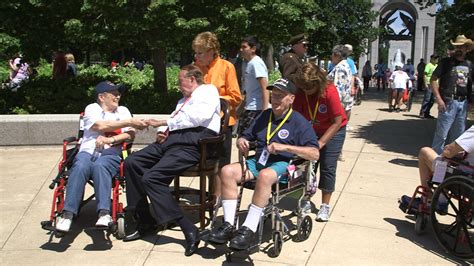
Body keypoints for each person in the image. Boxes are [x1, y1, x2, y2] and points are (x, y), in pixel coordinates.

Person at [208, 78, 319, 250]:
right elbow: (246, 135)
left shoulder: (299, 121)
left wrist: (286, 147)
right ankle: (229, 225)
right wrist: (242, 141)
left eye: (280, 96)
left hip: (284, 164)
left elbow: (314, 153)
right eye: (273, 95)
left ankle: (248, 229)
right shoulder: (264, 116)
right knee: (227, 171)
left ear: (291, 99)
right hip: (259, 160)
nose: (275, 99)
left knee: (266, 175)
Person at [122, 65, 221, 257]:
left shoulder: (208, 91)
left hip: (193, 144)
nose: (178, 85)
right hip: (172, 142)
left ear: (192, 79)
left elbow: (198, 118)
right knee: (132, 162)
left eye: (180, 81)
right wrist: (162, 131)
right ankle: (144, 217)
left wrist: (163, 123)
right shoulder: (183, 100)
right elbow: (175, 119)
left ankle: (188, 228)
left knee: (152, 178)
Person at [55, 81, 148, 233]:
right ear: (101, 97)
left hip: (112, 151)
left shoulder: (123, 110)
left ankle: (104, 213)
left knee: (101, 166)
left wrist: (111, 140)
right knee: (80, 167)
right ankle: (67, 215)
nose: (118, 96)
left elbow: (130, 134)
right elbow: (100, 126)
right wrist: (130, 121)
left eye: (119, 93)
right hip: (88, 150)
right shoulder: (92, 108)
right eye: (114, 93)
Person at [293, 62, 348, 222]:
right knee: (307, 166)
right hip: (311, 131)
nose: (306, 92)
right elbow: (296, 116)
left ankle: (325, 205)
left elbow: (337, 121)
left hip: (333, 130)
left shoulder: (329, 91)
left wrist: (321, 143)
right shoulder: (301, 92)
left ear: (317, 83)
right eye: (303, 88)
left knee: (327, 166)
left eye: (309, 88)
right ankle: (306, 199)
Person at [192, 31, 242, 198]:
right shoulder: (196, 68)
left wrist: (213, 98)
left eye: (200, 52)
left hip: (222, 124)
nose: (196, 55)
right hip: (201, 123)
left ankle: (217, 198)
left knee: (221, 164)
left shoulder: (227, 67)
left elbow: (236, 97)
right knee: (205, 162)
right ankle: (211, 195)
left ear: (211, 50)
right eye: (196, 52)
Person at [409, 126, 474, 208]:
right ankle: (441, 199)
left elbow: (449, 151)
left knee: (425, 152)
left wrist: (448, 149)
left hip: (463, 178)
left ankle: (427, 200)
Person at [431, 34, 473, 154]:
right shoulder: (446, 63)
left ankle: (450, 162)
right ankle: (435, 162)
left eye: (462, 46)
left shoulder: (470, 65)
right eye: (457, 46)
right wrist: (438, 99)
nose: (460, 49)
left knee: (458, 137)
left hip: (463, 103)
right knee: (441, 135)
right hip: (448, 102)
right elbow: (433, 79)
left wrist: (471, 101)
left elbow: (471, 85)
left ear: (466, 48)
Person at [237, 36, 269, 135]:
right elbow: (250, 90)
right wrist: (241, 107)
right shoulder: (249, 63)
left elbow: (265, 88)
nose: (241, 49)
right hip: (250, 108)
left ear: (253, 49)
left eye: (244, 47)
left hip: (257, 109)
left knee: (244, 141)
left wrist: (265, 111)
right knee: (243, 141)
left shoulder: (256, 63)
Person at [327, 45, 353, 120]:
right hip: (344, 103)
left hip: (338, 105)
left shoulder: (340, 68)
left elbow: (339, 88)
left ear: (337, 55)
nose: (331, 56)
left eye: (332, 54)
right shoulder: (345, 66)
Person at [419, 54, 439, 119]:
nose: (436, 60)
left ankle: (427, 113)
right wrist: (425, 84)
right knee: (427, 99)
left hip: (435, 84)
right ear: (431, 59)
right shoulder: (428, 65)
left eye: (437, 58)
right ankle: (422, 112)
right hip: (429, 83)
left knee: (432, 100)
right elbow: (425, 75)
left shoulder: (437, 66)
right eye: (435, 58)